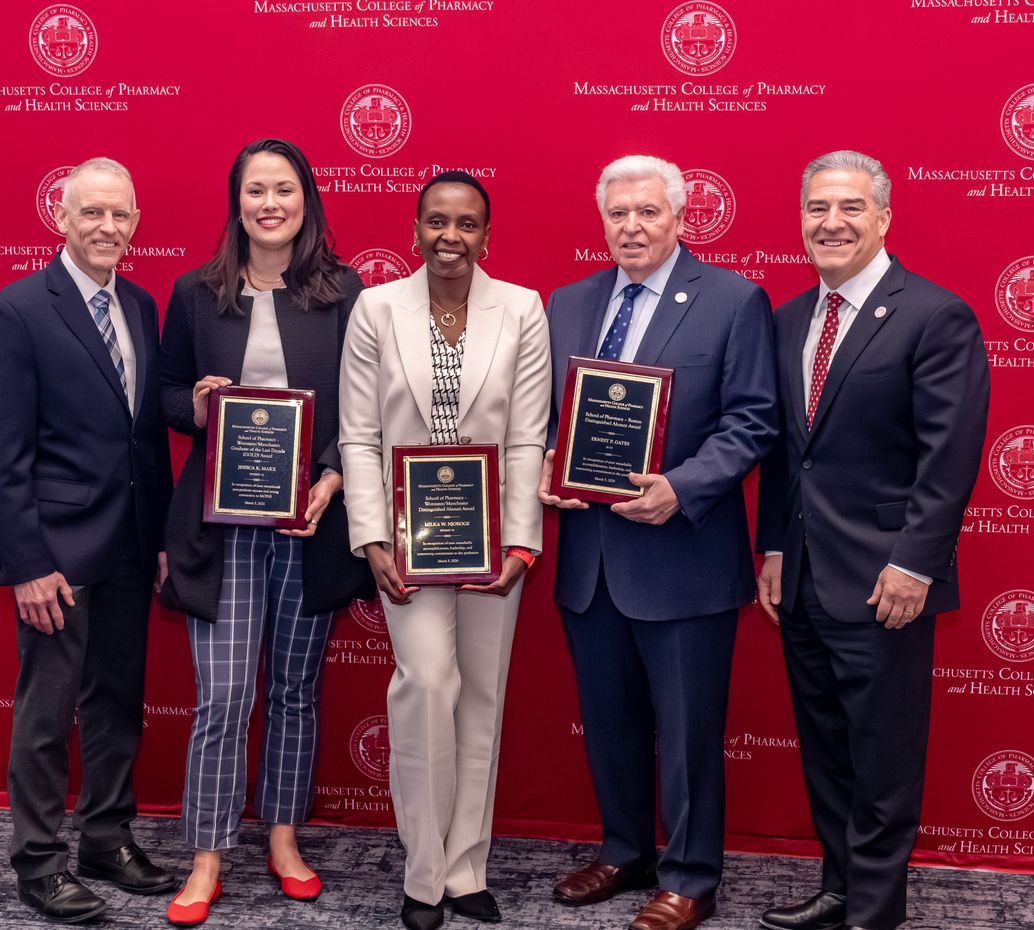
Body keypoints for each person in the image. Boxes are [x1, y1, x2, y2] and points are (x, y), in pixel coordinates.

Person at [539, 154, 777, 930]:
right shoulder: (567, 303)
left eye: (648, 212)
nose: (631, 227)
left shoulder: (735, 300)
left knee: (686, 733)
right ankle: (624, 850)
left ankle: (691, 875)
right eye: (618, 214)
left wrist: (682, 488)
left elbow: (751, 422)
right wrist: (545, 461)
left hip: (683, 559)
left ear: (681, 217)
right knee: (608, 722)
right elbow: (547, 417)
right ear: (601, 220)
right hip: (591, 560)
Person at [754, 151, 990, 930]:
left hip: (887, 581)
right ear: (801, 220)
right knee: (826, 752)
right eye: (818, 207)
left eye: (851, 207)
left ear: (885, 217)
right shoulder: (789, 318)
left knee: (884, 761)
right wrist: (775, 549)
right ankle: (837, 890)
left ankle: (873, 914)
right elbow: (789, 452)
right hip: (806, 581)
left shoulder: (934, 314)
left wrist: (913, 564)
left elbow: (948, 458)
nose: (832, 222)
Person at [156, 138, 372, 926]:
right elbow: (167, 397)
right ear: (236, 202)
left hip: (309, 521)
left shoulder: (344, 290)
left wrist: (335, 477)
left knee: (293, 691)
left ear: (307, 200)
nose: (269, 204)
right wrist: (201, 406)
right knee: (221, 696)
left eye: (284, 189)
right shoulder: (193, 292)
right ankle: (207, 854)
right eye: (255, 190)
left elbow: (365, 406)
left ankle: (283, 838)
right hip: (220, 527)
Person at [339, 171, 551, 930]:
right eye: (436, 221)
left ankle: (467, 870)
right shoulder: (375, 308)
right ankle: (422, 875)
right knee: (427, 687)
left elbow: (528, 434)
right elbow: (359, 434)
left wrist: (523, 539)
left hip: (494, 541)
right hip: (408, 542)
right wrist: (370, 536)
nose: (449, 237)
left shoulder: (523, 308)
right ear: (415, 229)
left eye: (466, 224)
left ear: (487, 236)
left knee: (482, 703)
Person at [0, 157, 176, 923]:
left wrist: (156, 536)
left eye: (121, 214)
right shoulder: (18, 309)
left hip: (127, 546)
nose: (107, 227)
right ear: (60, 217)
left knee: (118, 704)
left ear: (135, 222)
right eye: (92, 213)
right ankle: (36, 862)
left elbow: (145, 439)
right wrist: (26, 564)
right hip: (56, 555)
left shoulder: (142, 305)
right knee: (47, 713)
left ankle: (106, 838)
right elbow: (3, 455)